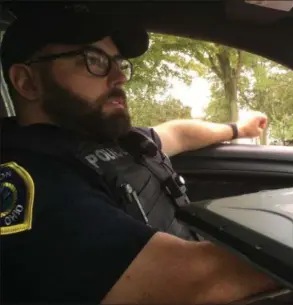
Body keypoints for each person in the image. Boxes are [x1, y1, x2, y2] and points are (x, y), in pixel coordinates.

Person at [0, 8, 277, 305]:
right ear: (27, 82)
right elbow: (195, 280)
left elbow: (179, 133)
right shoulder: (30, 181)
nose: (120, 76)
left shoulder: (119, 140)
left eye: (118, 62)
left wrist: (237, 129)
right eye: (93, 60)